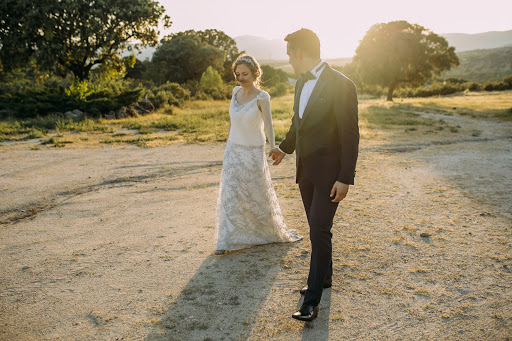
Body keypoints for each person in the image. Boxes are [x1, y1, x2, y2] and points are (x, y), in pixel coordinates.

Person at [269, 29, 359, 321]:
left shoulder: (342, 84)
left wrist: (345, 177)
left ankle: (311, 301)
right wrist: (285, 148)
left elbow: (349, 134)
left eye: (289, 55)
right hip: (305, 172)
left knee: (318, 230)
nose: (288, 60)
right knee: (317, 229)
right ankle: (326, 276)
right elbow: (299, 123)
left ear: (299, 53)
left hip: (331, 175)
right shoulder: (300, 83)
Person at [214, 54, 302, 255]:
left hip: (253, 151)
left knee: (255, 193)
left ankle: (262, 232)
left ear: (255, 74)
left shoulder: (262, 97)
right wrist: (228, 144)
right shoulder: (235, 92)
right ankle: (226, 240)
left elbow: (268, 125)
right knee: (231, 194)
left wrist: (273, 145)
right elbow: (231, 122)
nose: (240, 78)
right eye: (237, 74)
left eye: (245, 74)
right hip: (233, 150)